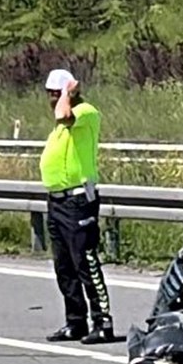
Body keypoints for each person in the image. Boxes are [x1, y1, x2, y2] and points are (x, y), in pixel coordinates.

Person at [40, 68, 116, 344]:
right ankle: (75, 321)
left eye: (55, 93)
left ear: (69, 92)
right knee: (64, 266)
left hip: (78, 201)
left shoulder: (85, 112)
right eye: (49, 94)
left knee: (86, 262)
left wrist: (68, 96)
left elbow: (64, 114)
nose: (51, 100)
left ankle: (103, 321)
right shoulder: (60, 126)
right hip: (57, 201)